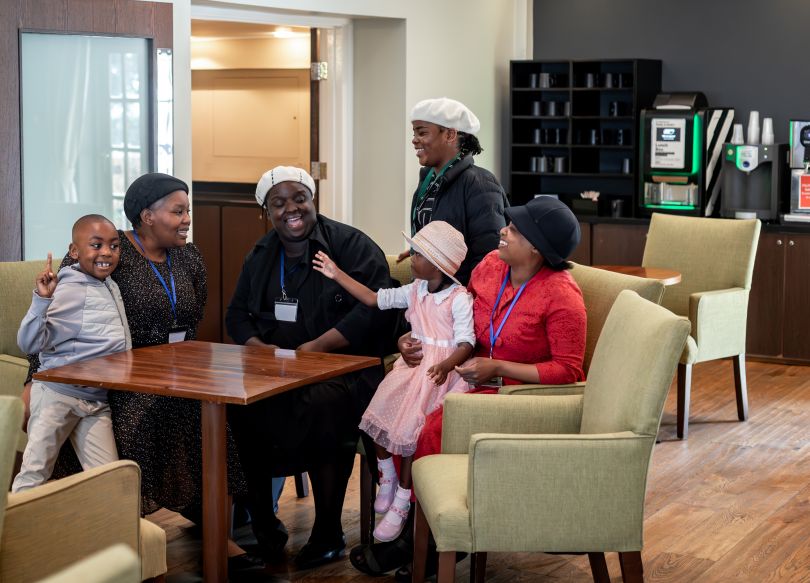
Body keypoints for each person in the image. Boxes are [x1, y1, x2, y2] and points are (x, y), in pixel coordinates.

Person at [349, 196, 587, 580]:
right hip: (464, 374)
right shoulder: (491, 266)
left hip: (513, 394)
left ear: (537, 248)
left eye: (514, 229)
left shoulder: (561, 295)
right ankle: (415, 522)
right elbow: (450, 316)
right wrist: (409, 338)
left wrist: (499, 366)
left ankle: (421, 540)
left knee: (429, 429)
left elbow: (568, 369)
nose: (502, 231)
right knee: (393, 409)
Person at [24, 173, 246, 518]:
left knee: (215, 412)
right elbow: (55, 317)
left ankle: (212, 523)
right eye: (178, 212)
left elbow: (194, 319)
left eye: (187, 211)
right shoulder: (109, 249)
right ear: (147, 216)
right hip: (118, 380)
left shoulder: (189, 257)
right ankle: (124, 521)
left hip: (175, 373)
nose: (187, 220)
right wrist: (34, 377)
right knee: (142, 419)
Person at [225, 166, 395, 568]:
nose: (291, 209)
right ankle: (264, 526)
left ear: (313, 200)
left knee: (322, 405)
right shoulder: (261, 255)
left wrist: (318, 347)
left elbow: (376, 309)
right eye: (279, 203)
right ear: (266, 211)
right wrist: (259, 349)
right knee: (237, 409)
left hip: (345, 371)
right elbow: (236, 315)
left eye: (299, 198)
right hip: (279, 372)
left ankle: (328, 533)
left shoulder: (350, 245)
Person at [312, 220, 475, 542]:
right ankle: (386, 474)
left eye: (418, 254)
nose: (410, 258)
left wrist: (446, 365)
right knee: (377, 413)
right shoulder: (415, 290)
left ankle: (402, 498)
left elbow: (466, 342)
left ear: (437, 264)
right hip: (412, 368)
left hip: (437, 375)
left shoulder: (458, 298)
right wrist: (337, 273)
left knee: (410, 431)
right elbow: (373, 299)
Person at [13, 215, 128, 492]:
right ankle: (15, 521)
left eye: (114, 246)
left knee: (108, 481)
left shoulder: (110, 284)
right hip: (58, 396)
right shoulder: (70, 288)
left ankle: (105, 522)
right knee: (34, 473)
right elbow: (29, 343)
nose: (107, 253)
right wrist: (42, 299)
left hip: (95, 399)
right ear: (74, 251)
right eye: (96, 245)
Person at [404, 97, 509, 285]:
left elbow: (489, 258)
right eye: (414, 133)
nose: (414, 140)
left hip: (460, 298)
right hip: (427, 294)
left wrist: (463, 299)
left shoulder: (481, 184)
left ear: (450, 135)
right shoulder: (428, 182)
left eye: (422, 133)